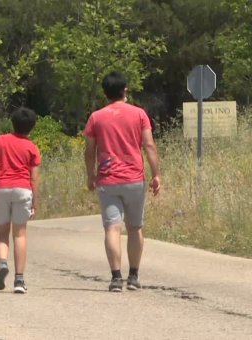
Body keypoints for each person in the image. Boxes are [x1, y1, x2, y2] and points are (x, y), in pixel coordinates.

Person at [83, 71, 161, 292]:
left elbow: (89, 151)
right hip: (134, 178)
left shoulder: (96, 117)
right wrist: (156, 174)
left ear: (105, 93)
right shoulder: (139, 114)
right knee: (135, 227)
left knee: (112, 229)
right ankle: (134, 276)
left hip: (107, 180)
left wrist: (90, 175)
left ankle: (116, 278)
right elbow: (149, 145)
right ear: (124, 90)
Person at [0, 107, 41, 294]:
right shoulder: (32, 147)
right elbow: (34, 178)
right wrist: (35, 201)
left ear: (12, 122)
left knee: (1, 233)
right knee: (20, 234)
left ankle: (3, 263)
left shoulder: (0, 140)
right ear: (31, 127)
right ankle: (19, 280)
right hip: (23, 189)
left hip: (1, 188)